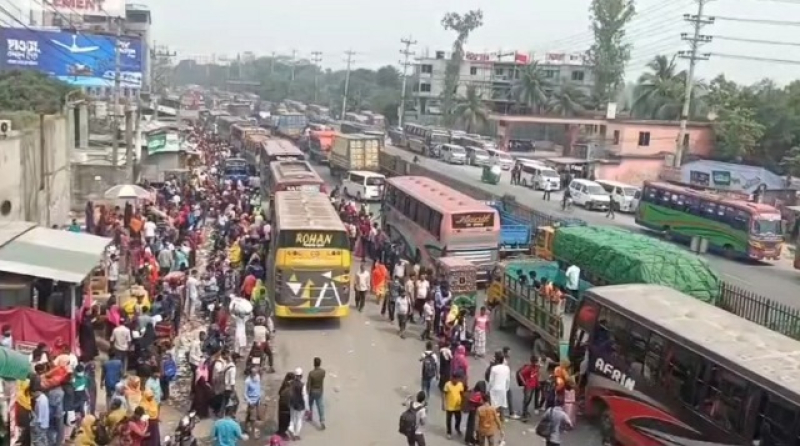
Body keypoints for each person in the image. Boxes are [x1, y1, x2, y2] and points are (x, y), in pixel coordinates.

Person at [488, 351, 511, 418]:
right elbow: (508, 380)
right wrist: (506, 388)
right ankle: (502, 419)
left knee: (494, 406)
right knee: (501, 405)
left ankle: (494, 420)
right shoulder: (507, 368)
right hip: (503, 389)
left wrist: (489, 389)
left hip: (494, 389)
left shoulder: (494, 368)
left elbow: (491, 381)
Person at [443, 373, 465, 439]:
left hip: (457, 406)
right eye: (454, 379)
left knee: (458, 418)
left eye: (456, 379)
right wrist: (443, 404)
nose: (455, 381)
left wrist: (463, 403)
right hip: (449, 406)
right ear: (451, 378)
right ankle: (449, 432)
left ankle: (457, 428)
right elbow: (444, 394)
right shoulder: (447, 385)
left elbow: (462, 394)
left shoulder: (460, 385)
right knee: (448, 420)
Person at [288, 368, 308, 440]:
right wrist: (307, 407)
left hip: (292, 404)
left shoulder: (290, 383)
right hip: (300, 405)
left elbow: (289, 394)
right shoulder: (303, 385)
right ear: (301, 376)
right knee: (299, 419)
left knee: (292, 419)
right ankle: (296, 434)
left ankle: (291, 429)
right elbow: (304, 396)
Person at [307, 357, 326, 429]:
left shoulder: (311, 373)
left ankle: (310, 416)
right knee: (320, 406)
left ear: (314, 363)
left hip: (312, 391)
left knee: (310, 404)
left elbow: (309, 384)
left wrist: (307, 392)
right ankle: (322, 421)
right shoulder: (323, 372)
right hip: (319, 391)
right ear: (320, 363)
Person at [244, 367, 261, 433]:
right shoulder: (247, 381)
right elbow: (245, 394)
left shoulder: (258, 377)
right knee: (253, 417)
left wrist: (259, 396)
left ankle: (246, 426)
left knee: (250, 414)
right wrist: (249, 401)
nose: (255, 375)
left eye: (256, 373)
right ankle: (254, 430)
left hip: (258, 400)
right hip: (252, 401)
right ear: (251, 373)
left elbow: (259, 386)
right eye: (254, 373)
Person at [277, 372, 294, 440]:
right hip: (287, 407)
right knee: (286, 421)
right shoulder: (290, 387)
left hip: (281, 405)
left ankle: (280, 432)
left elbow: (279, 393)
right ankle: (283, 434)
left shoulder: (284, 385)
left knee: (281, 420)